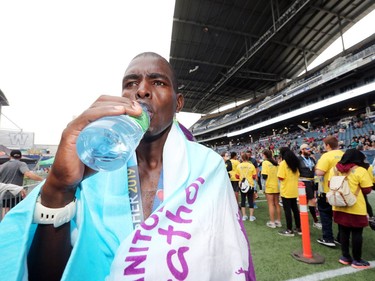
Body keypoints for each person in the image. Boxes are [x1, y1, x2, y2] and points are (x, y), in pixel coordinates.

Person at [0, 52, 255, 281]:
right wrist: (58, 189)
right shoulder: (92, 167)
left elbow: (227, 258)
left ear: (178, 103)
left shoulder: (208, 167)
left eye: (158, 82)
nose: (142, 90)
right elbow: (46, 275)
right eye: (131, 83)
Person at [328, 149, 373, 269]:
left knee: (343, 231)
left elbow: (329, 184)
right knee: (357, 233)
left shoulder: (334, 169)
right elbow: (367, 189)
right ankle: (357, 260)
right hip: (355, 206)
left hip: (338, 205)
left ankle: (345, 256)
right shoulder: (360, 170)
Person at [315, 136, 344, 247]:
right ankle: (342, 237)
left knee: (325, 214)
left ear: (327, 145)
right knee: (341, 214)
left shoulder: (326, 156)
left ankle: (328, 238)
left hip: (328, 190)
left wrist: (316, 168)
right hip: (342, 190)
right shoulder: (344, 154)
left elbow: (320, 172)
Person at [277, 147, 301, 237]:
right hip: (294, 189)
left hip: (286, 189)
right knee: (295, 209)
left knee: (287, 210)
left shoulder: (283, 163)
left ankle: (289, 229)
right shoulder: (295, 163)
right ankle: (298, 227)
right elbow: (298, 174)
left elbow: (281, 177)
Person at [297, 144, 321, 229]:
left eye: (309, 148)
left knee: (311, 201)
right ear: (302, 150)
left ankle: (313, 221)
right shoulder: (298, 159)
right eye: (307, 149)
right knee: (307, 201)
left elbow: (315, 169)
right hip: (303, 182)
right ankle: (304, 222)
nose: (309, 150)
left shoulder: (311, 159)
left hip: (312, 181)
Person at [261, 149, 281, 228]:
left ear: (265, 155)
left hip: (269, 185)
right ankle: (278, 221)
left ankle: (272, 222)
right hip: (276, 185)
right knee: (277, 204)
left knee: (271, 204)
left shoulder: (265, 163)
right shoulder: (276, 163)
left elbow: (264, 176)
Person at [237, 153, 257, 221]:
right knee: (250, 200)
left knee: (243, 200)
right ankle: (251, 216)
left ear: (242, 158)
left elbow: (237, 176)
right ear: (248, 158)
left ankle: (244, 216)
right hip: (250, 184)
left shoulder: (239, 166)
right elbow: (254, 176)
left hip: (242, 185)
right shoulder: (251, 165)